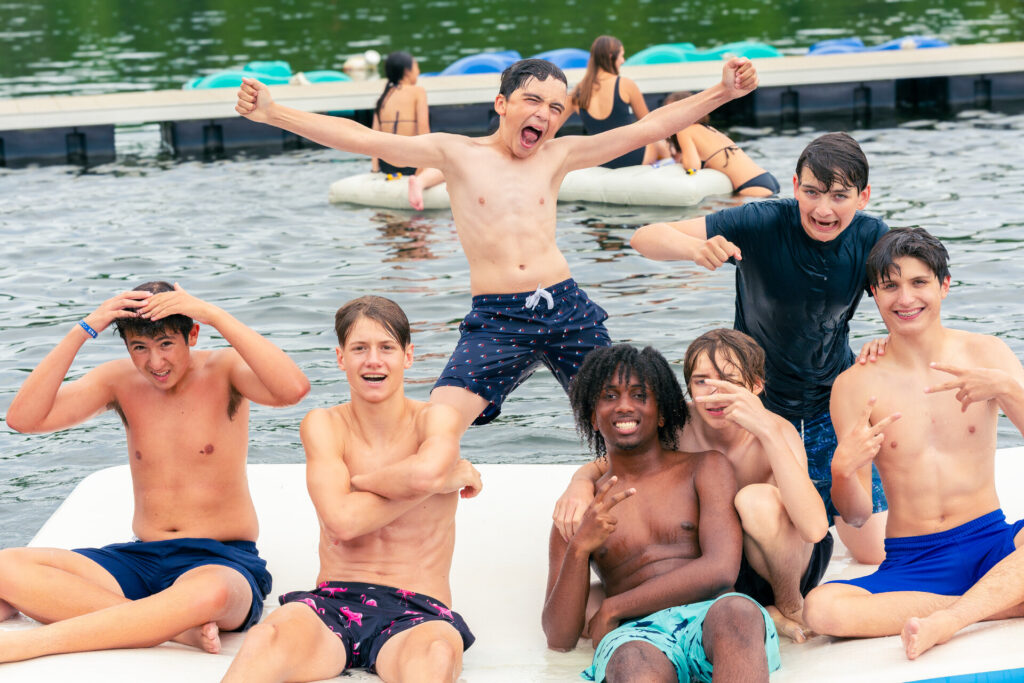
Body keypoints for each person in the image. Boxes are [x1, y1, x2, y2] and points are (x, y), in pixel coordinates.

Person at [236, 57, 758, 435]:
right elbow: (362, 139)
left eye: (556, 107)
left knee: (626, 414)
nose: (544, 114)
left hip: (566, 306)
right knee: (437, 423)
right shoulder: (456, 153)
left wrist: (721, 92)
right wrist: (275, 113)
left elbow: (650, 125)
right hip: (497, 316)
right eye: (532, 100)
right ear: (502, 104)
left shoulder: (558, 155)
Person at [0, 281, 310, 663]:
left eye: (166, 344)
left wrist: (212, 312)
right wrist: (85, 327)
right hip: (142, 558)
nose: (155, 363)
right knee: (5, 567)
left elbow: (293, 388)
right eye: (139, 348)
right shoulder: (119, 381)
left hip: (220, 559)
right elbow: (24, 419)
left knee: (208, 596)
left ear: (191, 334)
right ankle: (176, 629)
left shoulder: (225, 370)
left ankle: (34, 644)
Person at [630, 132, 889, 564]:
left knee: (872, 552)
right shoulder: (759, 221)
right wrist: (694, 248)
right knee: (762, 529)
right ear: (794, 186)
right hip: (758, 400)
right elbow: (645, 237)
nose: (823, 210)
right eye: (811, 192)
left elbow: (910, 297)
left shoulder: (873, 238)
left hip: (832, 400)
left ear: (862, 197)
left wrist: (888, 338)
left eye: (840, 196)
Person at [222, 295, 482, 682]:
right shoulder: (324, 425)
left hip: (419, 611)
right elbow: (342, 522)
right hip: (333, 602)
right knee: (266, 639)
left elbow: (424, 475)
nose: (373, 361)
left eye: (386, 348)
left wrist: (362, 482)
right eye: (359, 348)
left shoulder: (436, 419)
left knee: (435, 657)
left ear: (408, 356)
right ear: (341, 357)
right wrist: (438, 483)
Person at [800, 228, 1024, 658]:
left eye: (919, 283)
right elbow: (859, 515)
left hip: (992, 540)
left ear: (944, 285)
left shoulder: (988, 353)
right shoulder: (854, 385)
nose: (905, 299)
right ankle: (999, 601)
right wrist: (842, 472)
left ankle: (950, 620)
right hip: (914, 560)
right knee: (821, 608)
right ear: (874, 293)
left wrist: (1008, 389)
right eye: (890, 286)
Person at [553, 329, 830, 643]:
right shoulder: (679, 423)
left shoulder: (777, 431)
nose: (714, 393)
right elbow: (609, 462)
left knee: (754, 502)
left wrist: (767, 432)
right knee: (590, 603)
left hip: (782, 559)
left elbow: (814, 529)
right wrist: (579, 482)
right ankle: (757, 610)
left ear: (756, 386)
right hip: (719, 557)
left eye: (730, 380)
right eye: (701, 381)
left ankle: (788, 605)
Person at [543, 344, 780, 682]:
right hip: (637, 634)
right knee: (631, 661)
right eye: (609, 396)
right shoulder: (580, 509)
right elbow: (558, 638)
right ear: (592, 416)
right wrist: (580, 547)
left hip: (710, 613)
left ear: (664, 412)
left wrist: (613, 607)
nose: (624, 405)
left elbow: (721, 570)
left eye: (640, 395)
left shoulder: (705, 468)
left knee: (738, 612)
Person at [571, 35, 670, 168]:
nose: (623, 61)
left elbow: (554, 124)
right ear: (611, 56)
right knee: (660, 144)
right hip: (632, 157)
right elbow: (649, 123)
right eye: (622, 56)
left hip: (599, 161)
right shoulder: (625, 84)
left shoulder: (578, 91)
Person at [661, 91, 780, 196]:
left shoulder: (684, 130)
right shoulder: (709, 129)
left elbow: (692, 166)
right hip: (765, 179)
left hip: (751, 187)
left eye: (670, 111)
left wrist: (680, 162)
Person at [370, 51, 444, 211]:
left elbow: (373, 138)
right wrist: (421, 170)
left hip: (386, 166)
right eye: (416, 66)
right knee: (450, 163)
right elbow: (424, 132)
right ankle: (419, 182)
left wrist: (375, 171)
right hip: (412, 165)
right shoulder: (418, 91)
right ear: (407, 70)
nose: (418, 70)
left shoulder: (382, 97)